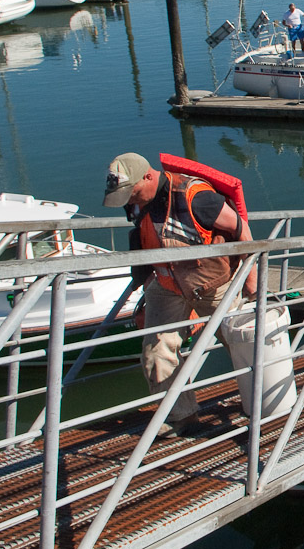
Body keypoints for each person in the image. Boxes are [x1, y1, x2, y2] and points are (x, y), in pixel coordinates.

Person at [104, 153, 258, 438]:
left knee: (241, 345)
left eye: (132, 192)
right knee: (156, 353)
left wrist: (251, 285)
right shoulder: (135, 203)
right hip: (166, 286)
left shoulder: (194, 196)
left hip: (213, 284)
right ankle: (182, 418)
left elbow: (242, 231)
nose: (129, 201)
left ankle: (262, 403)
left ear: (148, 177)